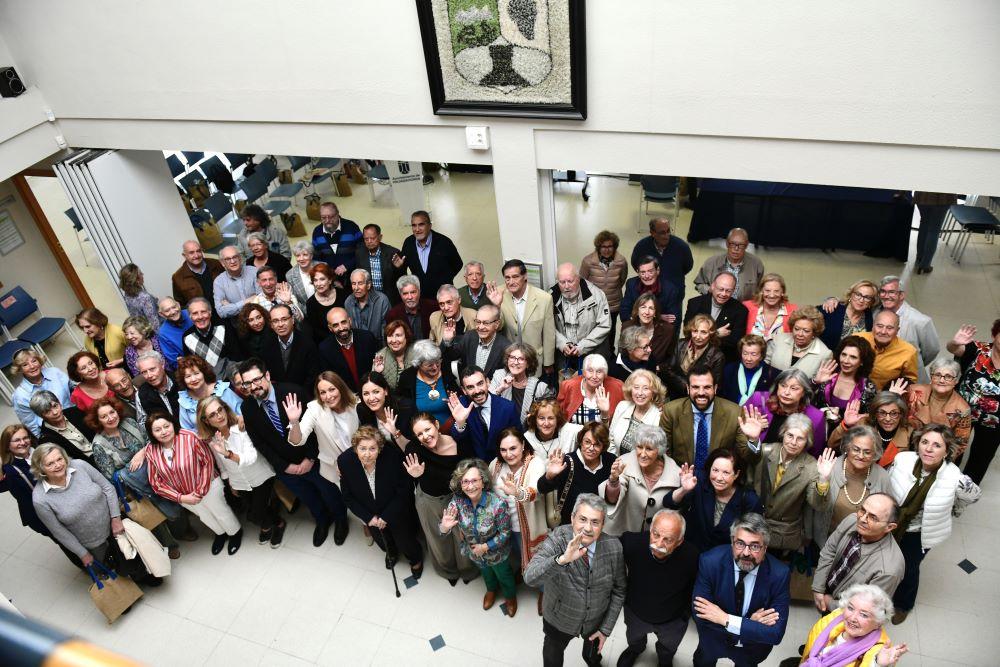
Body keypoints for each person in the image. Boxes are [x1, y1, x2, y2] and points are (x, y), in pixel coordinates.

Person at [238, 359, 347, 548]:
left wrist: (310, 458)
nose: (254, 387)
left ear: (268, 376)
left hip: (314, 459)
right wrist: (284, 466)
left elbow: (317, 427)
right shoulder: (247, 408)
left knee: (329, 492)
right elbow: (260, 443)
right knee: (309, 497)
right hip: (286, 469)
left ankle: (341, 521)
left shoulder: (292, 392)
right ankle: (322, 520)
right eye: (248, 383)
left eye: (257, 380)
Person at [887, 424, 980, 623]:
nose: (928, 449)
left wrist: (959, 504)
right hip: (891, 524)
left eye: (937, 445)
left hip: (920, 533)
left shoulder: (954, 477)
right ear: (917, 443)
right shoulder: (902, 460)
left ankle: (903, 604)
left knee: (908, 568)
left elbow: (973, 497)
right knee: (884, 560)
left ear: (947, 451)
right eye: (925, 442)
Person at [524, 493, 626, 667]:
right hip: (558, 619)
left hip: (596, 621)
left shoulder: (614, 547)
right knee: (552, 657)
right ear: (572, 518)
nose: (587, 528)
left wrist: (606, 628)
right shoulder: (558, 539)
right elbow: (530, 576)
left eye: (595, 522)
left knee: (592, 657)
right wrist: (562, 560)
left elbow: (619, 590)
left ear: (602, 525)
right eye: (582, 519)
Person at [86, 397, 181, 559]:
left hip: (156, 472)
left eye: (112, 412)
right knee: (154, 515)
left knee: (173, 502)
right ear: (98, 421)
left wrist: (142, 452)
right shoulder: (99, 445)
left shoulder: (129, 423)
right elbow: (110, 477)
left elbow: (150, 441)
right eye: (104, 416)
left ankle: (182, 530)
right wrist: (132, 467)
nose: (110, 418)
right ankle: (169, 543)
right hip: (134, 488)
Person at [691, 513, 790, 667]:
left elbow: (775, 634)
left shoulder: (780, 574)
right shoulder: (709, 561)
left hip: (752, 648)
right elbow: (700, 616)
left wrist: (725, 619)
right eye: (740, 543)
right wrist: (751, 625)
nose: (746, 553)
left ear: (765, 548)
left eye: (755, 546)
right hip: (713, 642)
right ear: (732, 542)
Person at [144, 412, 243, 555]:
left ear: (173, 424)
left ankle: (235, 533)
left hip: (208, 486)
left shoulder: (190, 437)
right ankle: (221, 534)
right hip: (184, 496)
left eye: (166, 426)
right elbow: (155, 482)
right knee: (205, 516)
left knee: (220, 512)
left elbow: (207, 462)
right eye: (157, 430)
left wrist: (199, 491)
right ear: (151, 433)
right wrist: (182, 498)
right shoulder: (150, 450)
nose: (164, 432)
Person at [30, 444, 136, 575]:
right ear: (40, 469)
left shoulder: (80, 465)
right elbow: (59, 532)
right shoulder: (40, 499)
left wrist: (116, 518)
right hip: (94, 545)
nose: (57, 465)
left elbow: (108, 488)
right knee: (113, 572)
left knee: (135, 558)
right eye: (50, 464)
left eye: (59, 459)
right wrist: (82, 553)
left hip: (116, 525)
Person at [402, 412, 479, 585]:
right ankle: (448, 571)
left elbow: (470, 471)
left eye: (427, 429)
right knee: (438, 538)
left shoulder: (458, 444)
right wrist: (417, 476)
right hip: (430, 501)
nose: (425, 436)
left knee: (462, 536)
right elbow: (409, 462)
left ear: (436, 425)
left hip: (457, 499)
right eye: (419, 434)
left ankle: (467, 570)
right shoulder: (415, 449)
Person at [197, 396, 284, 548]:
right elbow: (222, 466)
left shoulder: (241, 427)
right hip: (239, 482)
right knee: (255, 511)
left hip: (260, 476)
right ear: (206, 421)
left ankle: (276, 524)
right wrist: (231, 482)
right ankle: (272, 523)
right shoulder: (212, 441)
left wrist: (228, 454)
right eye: (213, 415)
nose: (219, 416)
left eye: (220, 410)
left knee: (255, 515)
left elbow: (251, 457)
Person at [616, 509, 700, 667]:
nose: (659, 544)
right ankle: (635, 649)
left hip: (672, 620)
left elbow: (697, 587)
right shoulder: (631, 542)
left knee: (668, 647)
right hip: (636, 612)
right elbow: (605, 551)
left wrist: (685, 614)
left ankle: (665, 658)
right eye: (655, 534)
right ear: (650, 530)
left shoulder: (692, 556)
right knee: (634, 639)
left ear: (680, 541)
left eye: (668, 539)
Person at [338, 425, 423, 577]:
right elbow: (347, 496)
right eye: (362, 448)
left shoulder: (393, 458)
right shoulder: (344, 461)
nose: (367, 455)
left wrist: (387, 516)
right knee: (382, 540)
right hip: (371, 514)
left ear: (380, 448)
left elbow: (404, 490)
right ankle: (391, 553)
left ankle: (415, 560)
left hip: (395, 510)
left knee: (405, 540)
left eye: (372, 449)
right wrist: (368, 517)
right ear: (355, 447)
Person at [440, 458, 518, 615]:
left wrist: (485, 547)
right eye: (465, 482)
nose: (470, 486)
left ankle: (510, 597)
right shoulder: (457, 502)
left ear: (483, 482)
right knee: (486, 573)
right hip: (474, 552)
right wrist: (444, 527)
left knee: (504, 575)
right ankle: (491, 590)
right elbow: (444, 527)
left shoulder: (498, 504)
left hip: (497, 553)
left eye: (474, 480)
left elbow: (505, 533)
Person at [1, 425, 83, 567]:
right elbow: (27, 503)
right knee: (69, 544)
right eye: (16, 440)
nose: (22, 442)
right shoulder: (12, 471)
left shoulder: (43, 449)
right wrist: (50, 528)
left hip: (68, 503)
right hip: (46, 516)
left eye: (25, 437)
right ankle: (89, 568)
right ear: (7, 445)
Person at [750, 413, 834, 552]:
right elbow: (748, 465)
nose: (793, 442)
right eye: (790, 435)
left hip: (783, 536)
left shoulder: (812, 466)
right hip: (754, 526)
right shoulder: (765, 450)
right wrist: (753, 439)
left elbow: (818, 505)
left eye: (800, 438)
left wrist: (823, 479)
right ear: (783, 434)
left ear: (808, 441)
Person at [660, 365, 766, 470]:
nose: (701, 393)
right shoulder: (671, 411)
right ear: (688, 388)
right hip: (681, 475)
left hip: (719, 480)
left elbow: (750, 459)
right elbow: (664, 452)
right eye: (695, 387)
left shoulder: (735, 413)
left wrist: (753, 440)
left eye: (707, 387)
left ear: (715, 388)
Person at [811, 493, 904, 613]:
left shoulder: (890, 569)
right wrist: (818, 587)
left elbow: (869, 608)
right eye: (863, 510)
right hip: (828, 589)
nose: (862, 519)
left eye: (873, 517)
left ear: (889, 527)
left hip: (846, 613)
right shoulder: (851, 520)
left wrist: (830, 604)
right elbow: (830, 550)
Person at [810, 425, 893, 548]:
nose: (861, 455)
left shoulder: (882, 477)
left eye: (867, 452)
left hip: (864, 546)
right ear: (847, 448)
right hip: (828, 542)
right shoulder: (829, 468)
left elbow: (887, 515)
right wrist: (823, 479)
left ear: (875, 454)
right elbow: (816, 505)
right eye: (856, 449)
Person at [671, 447, 764, 552]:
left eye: (726, 473)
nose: (719, 478)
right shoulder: (699, 481)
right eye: (715, 470)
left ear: (736, 474)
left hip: (723, 559)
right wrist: (684, 490)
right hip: (692, 551)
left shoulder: (749, 499)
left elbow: (754, 536)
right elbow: (669, 502)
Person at [600, 425, 686, 535]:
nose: (643, 454)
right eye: (639, 447)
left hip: (655, 539)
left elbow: (676, 513)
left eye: (649, 449)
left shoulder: (676, 474)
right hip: (621, 534)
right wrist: (613, 480)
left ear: (659, 450)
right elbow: (612, 500)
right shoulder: (624, 463)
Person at [796, 584, 908, 667]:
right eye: (850, 608)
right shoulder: (835, 617)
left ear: (878, 623)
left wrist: (877, 663)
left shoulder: (878, 648)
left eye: (863, 615)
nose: (853, 618)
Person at [489, 429, 547, 583]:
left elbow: (536, 493)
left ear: (522, 445)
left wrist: (517, 492)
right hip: (504, 528)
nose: (508, 454)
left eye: (513, 448)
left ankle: (543, 589)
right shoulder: (496, 465)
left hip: (526, 527)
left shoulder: (536, 464)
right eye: (503, 450)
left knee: (537, 562)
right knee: (517, 555)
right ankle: (522, 572)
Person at [285, 371, 359, 490]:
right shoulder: (314, 409)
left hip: (365, 462)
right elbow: (298, 440)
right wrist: (294, 422)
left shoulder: (356, 404)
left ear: (340, 388)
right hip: (338, 470)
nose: (328, 396)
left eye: (332, 389)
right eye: (323, 392)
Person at [948, 320, 1000, 484]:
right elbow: (955, 349)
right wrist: (954, 342)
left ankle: (965, 492)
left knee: (981, 458)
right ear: (994, 335)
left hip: (994, 421)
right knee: (952, 450)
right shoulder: (978, 349)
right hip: (962, 413)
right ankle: (944, 484)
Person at [536, 422, 614, 526]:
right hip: (570, 526)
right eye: (587, 442)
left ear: (603, 446)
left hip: (599, 525)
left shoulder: (610, 460)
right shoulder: (567, 462)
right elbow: (542, 488)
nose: (591, 448)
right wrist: (549, 476)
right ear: (581, 441)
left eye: (597, 444)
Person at [488, 259, 556, 377]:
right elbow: (497, 328)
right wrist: (497, 306)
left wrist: (548, 363)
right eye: (507, 278)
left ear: (525, 276)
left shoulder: (544, 298)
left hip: (534, 360)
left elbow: (549, 334)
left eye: (515, 277)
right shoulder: (498, 294)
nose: (511, 281)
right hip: (510, 361)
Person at [745, 368, 827, 454]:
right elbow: (737, 431)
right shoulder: (758, 399)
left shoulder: (816, 417)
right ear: (777, 386)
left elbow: (814, 453)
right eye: (783, 385)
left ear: (804, 392)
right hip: (754, 458)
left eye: (794, 388)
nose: (786, 392)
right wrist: (752, 431)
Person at [448, 365, 522, 461]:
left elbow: (518, 438)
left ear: (488, 382)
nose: (477, 391)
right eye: (470, 387)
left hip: (502, 463)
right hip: (473, 466)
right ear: (464, 390)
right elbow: (457, 439)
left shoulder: (507, 408)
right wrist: (460, 422)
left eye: (480, 384)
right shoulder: (460, 405)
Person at [876, 275, 939, 383]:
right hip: (879, 377)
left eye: (892, 292)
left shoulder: (920, 321)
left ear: (901, 295)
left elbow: (932, 350)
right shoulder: (875, 313)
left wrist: (911, 361)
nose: (886, 296)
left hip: (908, 379)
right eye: (883, 291)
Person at [550, 262, 612, 369]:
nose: (566, 286)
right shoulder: (551, 297)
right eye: (562, 282)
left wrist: (582, 346)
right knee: (566, 384)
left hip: (592, 353)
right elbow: (548, 326)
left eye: (570, 281)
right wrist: (562, 344)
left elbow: (604, 325)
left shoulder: (596, 295)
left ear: (578, 278)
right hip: (564, 355)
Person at [830, 392, 913, 468]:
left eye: (894, 413)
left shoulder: (910, 434)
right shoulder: (863, 423)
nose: (888, 419)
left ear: (901, 414)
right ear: (875, 413)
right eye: (882, 413)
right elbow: (833, 446)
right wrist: (846, 425)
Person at [906, 357, 972, 450]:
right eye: (937, 375)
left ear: (956, 381)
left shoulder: (962, 410)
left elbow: (960, 444)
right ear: (931, 376)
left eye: (948, 376)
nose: (941, 380)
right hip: (907, 445)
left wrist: (940, 460)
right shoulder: (913, 391)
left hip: (936, 454)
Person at [684, 271, 750, 363]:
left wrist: (702, 335)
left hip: (723, 359)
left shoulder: (740, 310)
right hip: (694, 357)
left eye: (728, 291)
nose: (723, 294)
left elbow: (735, 341)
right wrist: (716, 334)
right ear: (712, 286)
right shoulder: (695, 303)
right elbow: (688, 332)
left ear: (734, 290)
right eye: (721, 289)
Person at [397, 210, 463, 299]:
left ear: (430, 226)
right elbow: (404, 268)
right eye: (414, 225)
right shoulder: (409, 243)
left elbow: (457, 264)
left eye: (421, 224)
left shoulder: (444, 242)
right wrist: (399, 267)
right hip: (421, 297)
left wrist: (445, 280)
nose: (417, 229)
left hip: (443, 296)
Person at [812, 335, 878, 421]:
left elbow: (869, 419)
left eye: (853, 357)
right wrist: (815, 382)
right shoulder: (827, 376)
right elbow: (806, 404)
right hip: (817, 429)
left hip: (849, 432)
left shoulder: (868, 388)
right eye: (843, 354)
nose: (846, 361)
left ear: (862, 361)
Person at [579, 230, 628, 345]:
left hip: (613, 304)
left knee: (611, 331)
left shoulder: (621, 262)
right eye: (603, 247)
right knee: (594, 331)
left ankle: (610, 354)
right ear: (598, 247)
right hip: (594, 305)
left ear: (614, 247)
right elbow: (582, 282)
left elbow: (622, 280)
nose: (607, 250)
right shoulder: (588, 261)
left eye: (610, 246)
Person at [10, 348, 73, 437]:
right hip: (56, 432)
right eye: (25, 365)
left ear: (39, 361)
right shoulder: (20, 396)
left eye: (34, 361)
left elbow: (75, 392)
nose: (32, 366)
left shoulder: (55, 372)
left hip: (75, 416)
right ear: (19, 370)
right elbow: (33, 426)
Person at [661, 314, 725, 400]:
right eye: (695, 331)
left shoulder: (717, 356)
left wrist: (690, 388)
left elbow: (715, 386)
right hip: (675, 395)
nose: (698, 336)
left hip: (700, 399)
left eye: (703, 332)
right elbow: (668, 370)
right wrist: (688, 386)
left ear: (711, 334)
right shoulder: (680, 344)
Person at [259, 304, 320, 394]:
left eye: (284, 319)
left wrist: (300, 396)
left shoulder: (307, 343)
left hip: (304, 395)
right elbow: (266, 375)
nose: (280, 324)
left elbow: (313, 376)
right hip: (278, 396)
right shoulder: (266, 344)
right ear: (271, 325)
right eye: (275, 321)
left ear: (292, 320)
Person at [396, 340, 457, 428]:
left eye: (437, 362)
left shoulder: (446, 370)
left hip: (452, 430)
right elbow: (404, 410)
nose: (435, 367)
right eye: (430, 365)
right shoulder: (407, 377)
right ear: (419, 364)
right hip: (423, 435)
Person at [696, 227, 767, 303]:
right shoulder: (711, 262)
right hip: (715, 306)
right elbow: (699, 284)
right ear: (727, 243)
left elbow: (761, 289)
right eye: (733, 244)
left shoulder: (756, 264)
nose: (736, 249)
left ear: (746, 245)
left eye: (741, 245)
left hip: (743, 309)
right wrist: (710, 289)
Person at [175, 354, 242, 431]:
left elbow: (242, 412)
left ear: (203, 373)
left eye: (196, 373)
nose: (193, 379)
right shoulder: (185, 401)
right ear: (183, 380)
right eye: (188, 376)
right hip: (204, 442)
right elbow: (187, 431)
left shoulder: (221, 390)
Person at [630, 217, 693, 298]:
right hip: (649, 294)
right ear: (652, 233)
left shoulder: (681, 247)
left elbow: (688, 266)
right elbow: (636, 264)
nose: (666, 236)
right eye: (662, 233)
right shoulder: (641, 247)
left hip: (674, 294)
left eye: (668, 231)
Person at [318, 307, 378, 392]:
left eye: (343, 322)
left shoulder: (367, 338)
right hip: (345, 396)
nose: (341, 328)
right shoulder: (325, 349)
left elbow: (376, 367)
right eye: (335, 325)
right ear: (330, 328)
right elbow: (330, 379)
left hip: (370, 390)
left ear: (350, 321)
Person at [182, 297, 242, 380]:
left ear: (210, 312)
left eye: (203, 312)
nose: (200, 317)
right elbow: (191, 367)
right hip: (206, 383)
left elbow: (237, 357)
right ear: (190, 316)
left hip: (232, 377)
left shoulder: (224, 327)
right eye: (195, 313)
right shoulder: (187, 337)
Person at [31, 390, 97, 465]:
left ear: (60, 403)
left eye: (55, 406)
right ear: (41, 415)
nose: (55, 412)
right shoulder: (46, 440)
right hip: (88, 466)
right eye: (47, 411)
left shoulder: (75, 412)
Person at [489, 342, 550, 424]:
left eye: (521, 359)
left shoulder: (540, 387)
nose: (515, 362)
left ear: (528, 363)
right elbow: (486, 402)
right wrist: (501, 388)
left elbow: (547, 415)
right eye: (512, 357)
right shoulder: (499, 375)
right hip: (502, 430)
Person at [556, 354, 624, 426]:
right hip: (574, 435)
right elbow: (560, 417)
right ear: (584, 372)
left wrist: (605, 412)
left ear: (605, 374)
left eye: (599, 372)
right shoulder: (568, 386)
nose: (594, 376)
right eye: (590, 371)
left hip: (602, 435)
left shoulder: (617, 387)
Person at [608, 369, 664, 456]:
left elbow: (658, 453)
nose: (640, 393)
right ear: (631, 389)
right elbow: (611, 440)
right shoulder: (622, 407)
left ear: (653, 392)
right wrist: (613, 463)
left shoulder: (659, 417)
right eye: (636, 387)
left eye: (646, 388)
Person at [766, 306, 833, 378]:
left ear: (814, 333)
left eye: (806, 331)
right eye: (796, 329)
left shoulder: (824, 354)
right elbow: (764, 368)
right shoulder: (778, 340)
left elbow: (821, 383)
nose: (800, 334)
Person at [448, 303, 511, 380]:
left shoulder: (506, 347)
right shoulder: (469, 337)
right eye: (478, 322)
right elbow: (451, 356)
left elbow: (508, 376)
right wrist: (448, 340)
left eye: (486, 323)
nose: (480, 327)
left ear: (496, 324)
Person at [858, 311, 918, 390]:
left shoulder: (908, 351)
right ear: (873, 326)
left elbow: (909, 382)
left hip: (883, 398)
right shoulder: (858, 339)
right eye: (879, 326)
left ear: (897, 330)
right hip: (852, 393)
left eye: (889, 328)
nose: (883, 332)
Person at [620, 256, 683, 329]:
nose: (646, 276)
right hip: (634, 328)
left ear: (658, 270)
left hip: (658, 331)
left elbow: (673, 320)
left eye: (650, 271)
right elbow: (624, 312)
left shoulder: (670, 289)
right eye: (643, 272)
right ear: (638, 273)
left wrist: (641, 317)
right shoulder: (631, 283)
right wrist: (658, 317)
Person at [620, 293, 675, 373]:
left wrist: (660, 368)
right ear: (637, 310)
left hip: (658, 374)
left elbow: (672, 357)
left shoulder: (667, 329)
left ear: (655, 312)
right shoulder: (627, 326)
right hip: (631, 372)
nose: (647, 312)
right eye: (643, 307)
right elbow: (624, 354)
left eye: (651, 308)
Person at [356, 372, 412, 450]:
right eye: (366, 394)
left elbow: (414, 447)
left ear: (385, 391)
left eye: (376, 392)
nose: (371, 398)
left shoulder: (406, 408)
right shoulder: (362, 410)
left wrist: (395, 433)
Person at [818, 280, 879, 351]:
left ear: (871, 302)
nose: (861, 300)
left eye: (867, 297)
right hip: (826, 359)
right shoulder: (832, 308)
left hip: (853, 360)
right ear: (850, 294)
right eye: (858, 294)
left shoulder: (871, 317)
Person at [310, 201, 361, 284]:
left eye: (331, 217)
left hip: (354, 277)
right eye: (323, 217)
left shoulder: (352, 227)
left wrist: (347, 265)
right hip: (330, 280)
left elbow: (362, 251)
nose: (327, 220)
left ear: (337, 214)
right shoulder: (317, 232)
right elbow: (316, 258)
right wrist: (331, 277)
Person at [354, 223, 403, 304]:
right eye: (366, 239)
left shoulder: (393, 253)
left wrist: (398, 268)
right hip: (368, 298)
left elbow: (401, 279)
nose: (369, 241)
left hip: (389, 298)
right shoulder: (359, 253)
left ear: (380, 237)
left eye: (372, 238)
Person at [720, 334, 774, 406]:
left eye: (753, 354)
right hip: (730, 413)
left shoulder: (772, 374)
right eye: (745, 353)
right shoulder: (729, 369)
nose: (748, 359)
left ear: (761, 356)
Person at [743, 272, 798, 341]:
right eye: (767, 290)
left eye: (776, 291)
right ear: (761, 291)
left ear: (782, 292)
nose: (772, 295)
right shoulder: (747, 307)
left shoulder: (793, 311)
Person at [913, 191, 958, 275]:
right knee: (934, 230)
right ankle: (925, 265)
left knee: (924, 225)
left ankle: (919, 258)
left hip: (923, 194)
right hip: (942, 197)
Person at [213, 245, 261, 321]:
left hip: (260, 319)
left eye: (235, 257)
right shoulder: (219, 282)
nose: (232, 261)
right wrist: (248, 300)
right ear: (222, 263)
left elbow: (263, 297)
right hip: (238, 325)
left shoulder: (254, 272)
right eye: (228, 259)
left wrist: (231, 306)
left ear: (240, 258)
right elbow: (221, 312)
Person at [172, 239, 224, 308]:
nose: (196, 255)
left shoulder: (216, 264)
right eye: (191, 253)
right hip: (203, 316)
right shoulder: (178, 277)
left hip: (226, 309)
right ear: (184, 255)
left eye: (198, 251)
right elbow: (181, 304)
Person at [344, 268, 390, 344]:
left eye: (360, 283)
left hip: (378, 346)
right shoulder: (348, 302)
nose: (356, 288)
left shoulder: (382, 300)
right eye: (353, 283)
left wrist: (383, 352)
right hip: (358, 347)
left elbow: (386, 330)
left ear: (368, 285)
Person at [386, 275, 438, 341]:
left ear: (419, 291)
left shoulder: (433, 307)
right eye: (405, 293)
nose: (410, 297)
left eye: (413, 292)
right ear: (400, 295)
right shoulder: (393, 315)